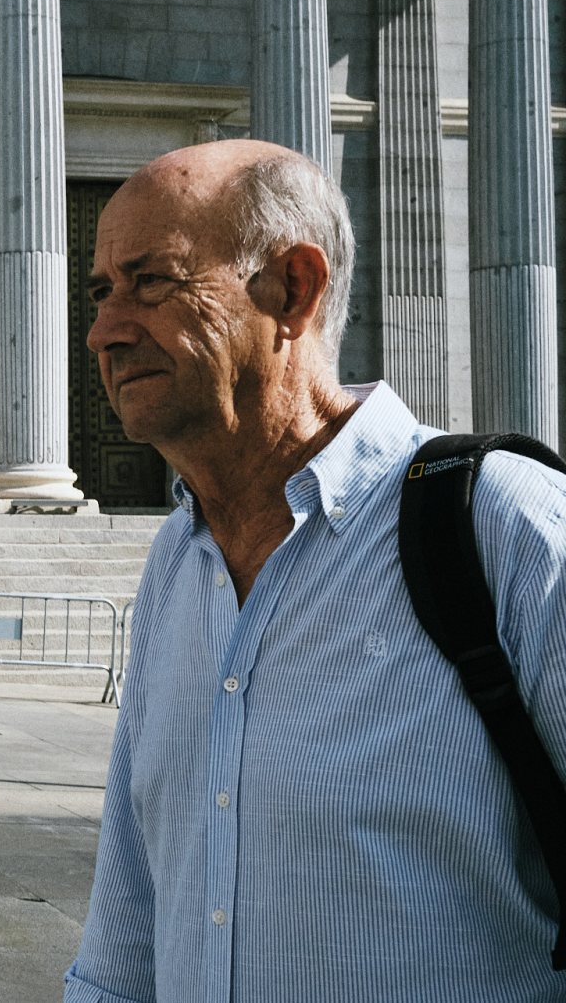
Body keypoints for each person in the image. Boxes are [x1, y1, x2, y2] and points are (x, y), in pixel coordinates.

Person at [65, 139, 566, 1002]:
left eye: (154, 283)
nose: (104, 332)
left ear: (293, 289)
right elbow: (130, 919)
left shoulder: (505, 525)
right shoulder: (175, 566)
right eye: (102, 291)